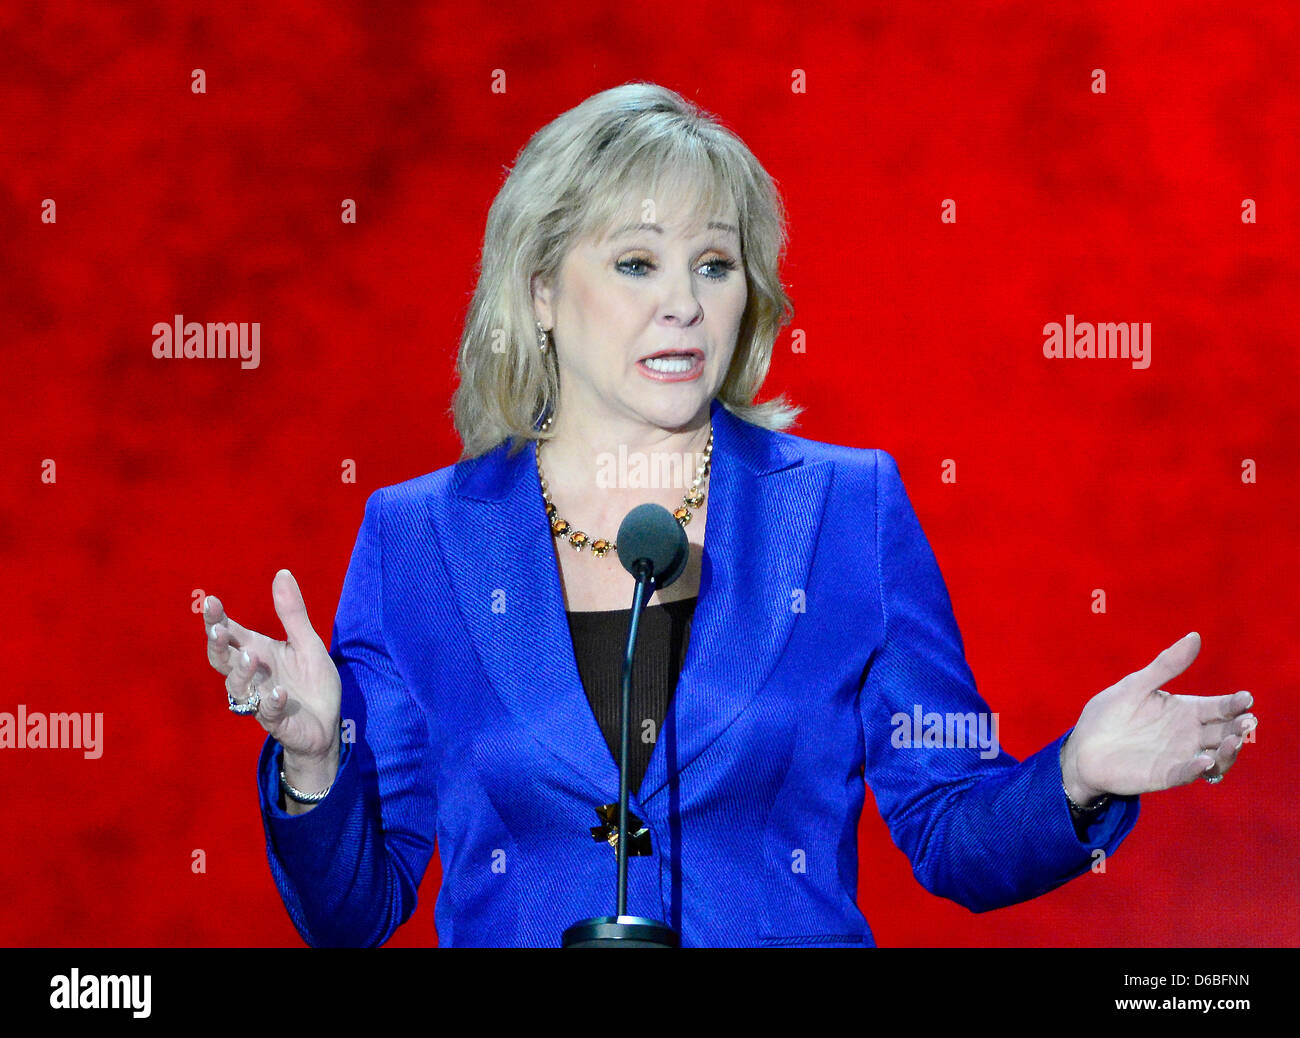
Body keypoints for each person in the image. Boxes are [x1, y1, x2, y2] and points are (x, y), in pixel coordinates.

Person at [200, 82, 1257, 948]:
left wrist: (1074, 774)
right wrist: (312, 758)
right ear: (535, 291)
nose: (684, 303)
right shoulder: (417, 539)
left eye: (714, 264)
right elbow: (352, 913)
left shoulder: (849, 508)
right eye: (635, 263)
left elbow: (949, 833)